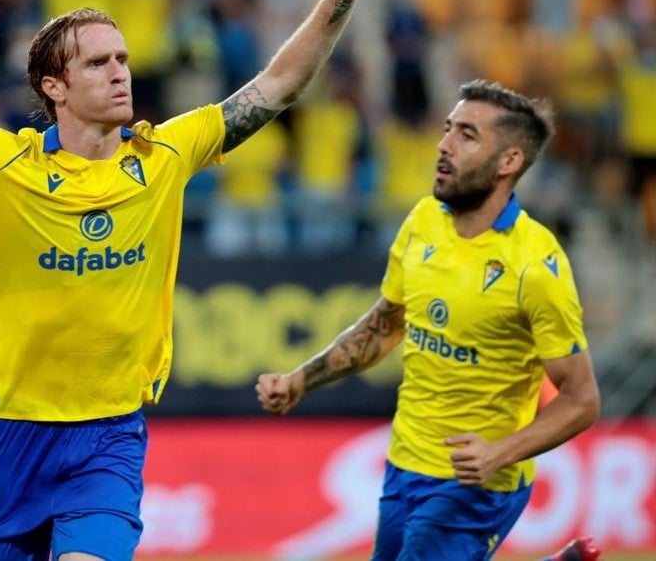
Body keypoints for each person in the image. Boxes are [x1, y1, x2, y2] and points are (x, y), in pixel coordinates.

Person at [0, 0, 377, 560]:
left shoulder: (164, 157)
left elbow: (278, 86)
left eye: (124, 59)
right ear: (55, 85)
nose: (120, 71)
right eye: (99, 63)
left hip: (107, 438)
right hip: (7, 438)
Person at [256, 81, 601, 560]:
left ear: (509, 162)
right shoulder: (423, 220)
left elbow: (582, 400)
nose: (444, 145)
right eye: (447, 129)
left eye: (467, 135)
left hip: (475, 483)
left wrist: (497, 453)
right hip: (405, 463)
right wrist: (300, 380)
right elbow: (384, 326)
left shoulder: (535, 266)